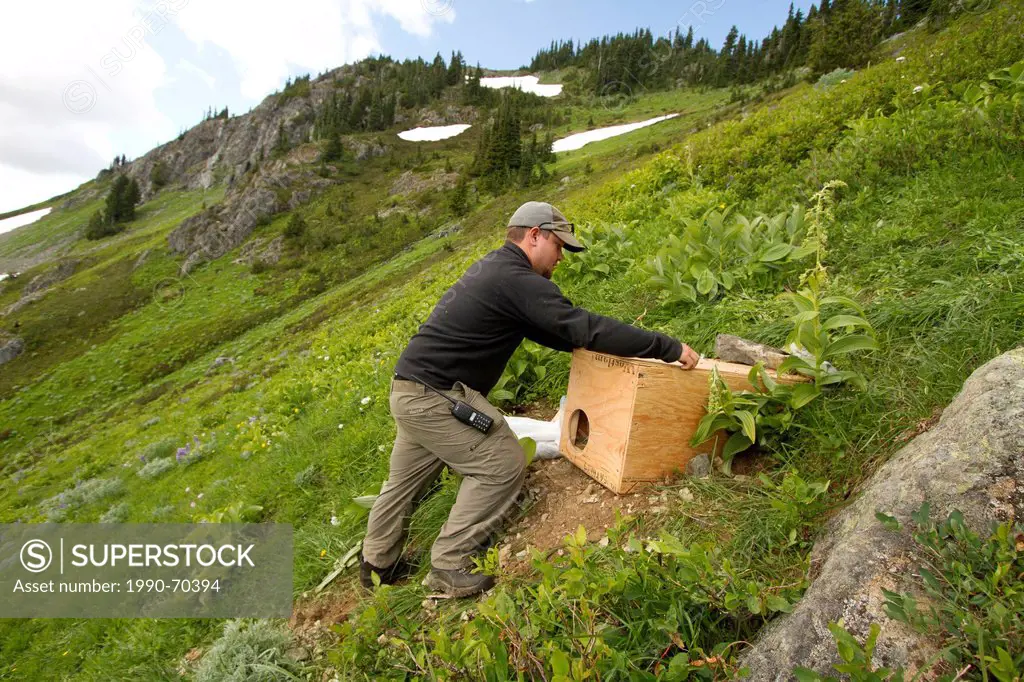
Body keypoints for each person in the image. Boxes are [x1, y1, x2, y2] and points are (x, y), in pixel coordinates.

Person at [361, 201, 700, 597]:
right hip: (438, 398)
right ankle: (449, 565)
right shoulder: (517, 279)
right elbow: (583, 326)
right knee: (502, 462)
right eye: (558, 246)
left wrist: (591, 347)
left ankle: (376, 568)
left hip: (410, 390)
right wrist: (665, 346)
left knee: (403, 482)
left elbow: (561, 333)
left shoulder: (496, 270)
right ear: (534, 235)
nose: (560, 258)